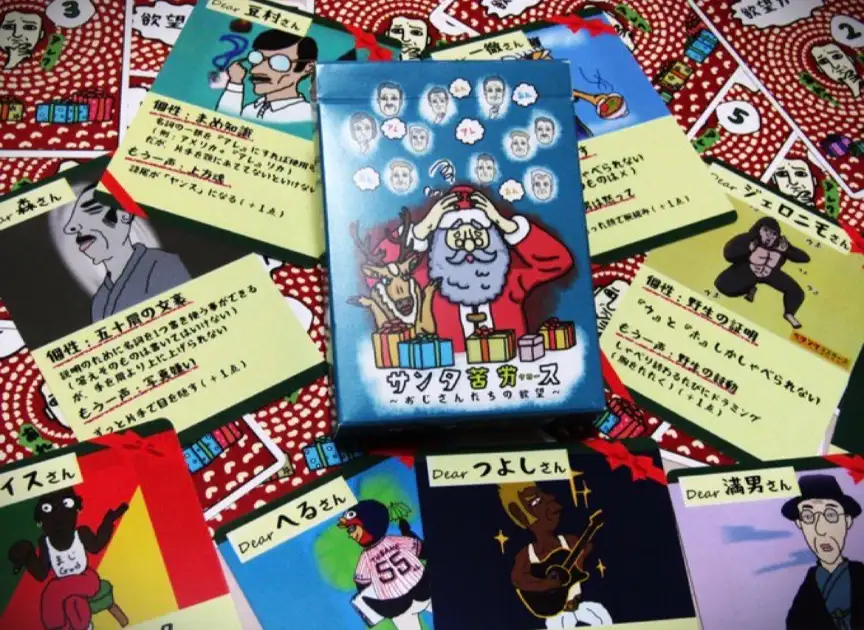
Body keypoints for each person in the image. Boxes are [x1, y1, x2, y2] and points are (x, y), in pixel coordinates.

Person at [379, 185, 573, 350]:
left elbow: (559, 261)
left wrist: (507, 226)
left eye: (478, 237)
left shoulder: (510, 281)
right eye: (458, 239)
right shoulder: (427, 285)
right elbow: (376, 269)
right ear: (440, 244)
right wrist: (424, 228)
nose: (469, 247)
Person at [63, 184, 190, 323]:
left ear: (124, 216)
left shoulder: (164, 268)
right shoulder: (100, 302)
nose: (70, 227)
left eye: (89, 213)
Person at [8, 488, 128, 630]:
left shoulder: (81, 533)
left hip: (87, 579)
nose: (58, 518)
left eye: (66, 505)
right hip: (66, 586)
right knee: (72, 601)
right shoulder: (45, 543)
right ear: (40, 521)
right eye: (47, 509)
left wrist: (108, 521)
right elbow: (41, 573)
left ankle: (56, 627)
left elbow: (97, 545)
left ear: (76, 510)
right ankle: (83, 626)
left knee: (53, 591)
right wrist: (27, 555)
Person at [499, 483, 612, 628]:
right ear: (520, 515)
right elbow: (518, 580)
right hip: (557, 617)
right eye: (536, 501)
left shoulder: (570, 542)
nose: (553, 504)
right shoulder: (527, 554)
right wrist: (547, 584)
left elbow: (586, 551)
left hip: (582, 606)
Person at [783, 474, 864, 629]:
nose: (820, 530)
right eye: (808, 517)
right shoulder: (810, 583)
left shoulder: (859, 574)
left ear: (847, 520)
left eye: (831, 515)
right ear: (800, 524)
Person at [338, 500, 431, 630]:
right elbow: (424, 551)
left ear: (369, 525)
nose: (351, 534)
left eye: (352, 528)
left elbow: (363, 586)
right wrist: (406, 531)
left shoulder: (365, 558)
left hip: (399, 605)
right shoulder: (395, 540)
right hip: (421, 591)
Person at [714, 217, 810, 329]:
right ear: (758, 229)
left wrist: (787, 251)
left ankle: (789, 313)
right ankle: (749, 289)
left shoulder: (781, 244)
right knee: (723, 284)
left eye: (773, 233)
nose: (769, 236)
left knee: (796, 291)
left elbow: (805, 258)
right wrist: (748, 249)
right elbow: (728, 254)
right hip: (749, 269)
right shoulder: (749, 239)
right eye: (766, 231)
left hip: (770, 273)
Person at [217, 29, 317, 123]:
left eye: (279, 62)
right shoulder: (250, 109)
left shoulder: (307, 115)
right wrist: (235, 83)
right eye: (256, 58)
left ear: (308, 68)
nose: (255, 70)